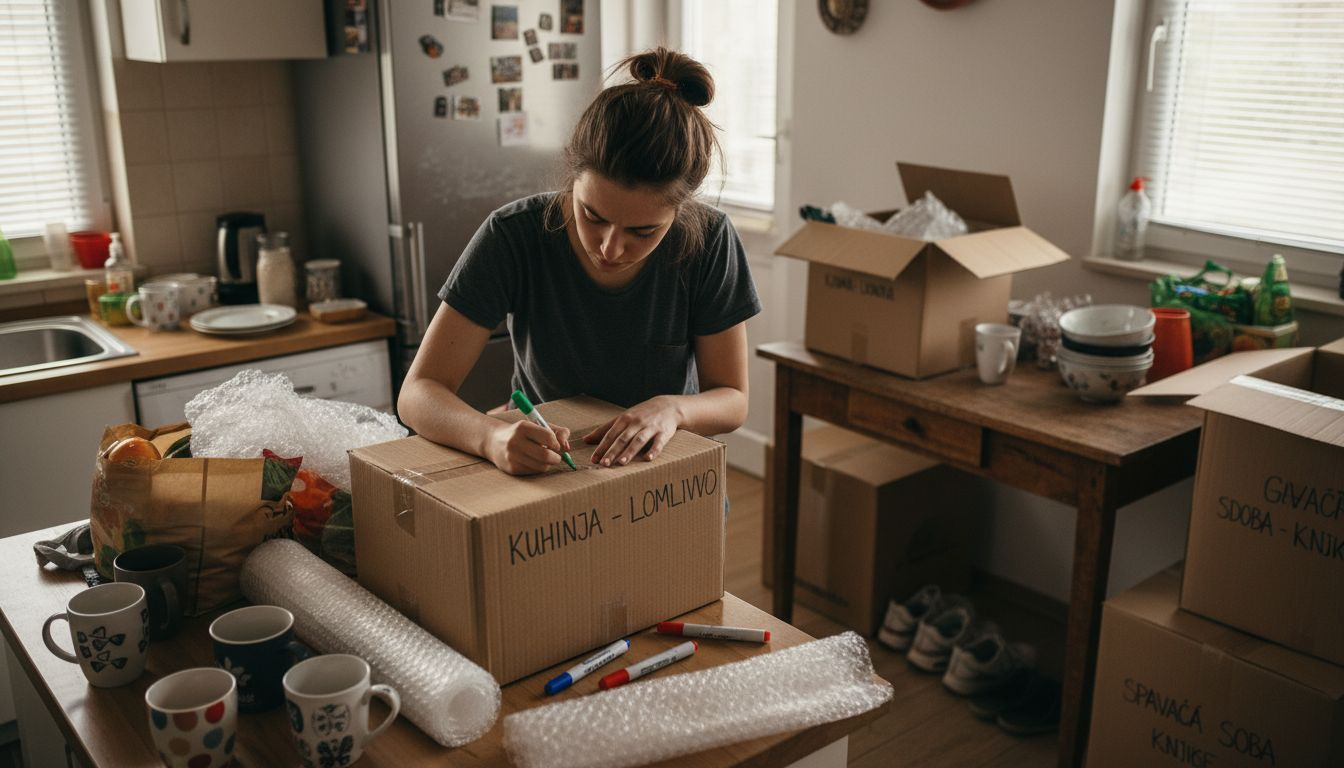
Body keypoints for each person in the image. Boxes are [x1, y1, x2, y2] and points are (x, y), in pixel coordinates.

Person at [398, 48, 761, 475]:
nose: (610, 248)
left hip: (666, 482)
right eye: (593, 216)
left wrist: (673, 409)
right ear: (572, 173)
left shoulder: (710, 240)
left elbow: (733, 399)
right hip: (551, 475)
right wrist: (489, 436)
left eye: (643, 232)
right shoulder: (513, 235)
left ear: (680, 210)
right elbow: (418, 393)